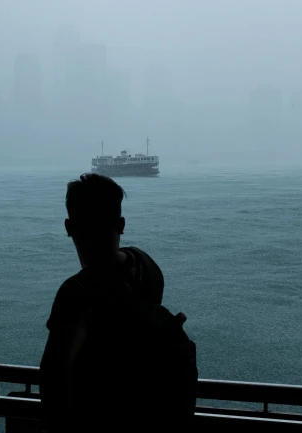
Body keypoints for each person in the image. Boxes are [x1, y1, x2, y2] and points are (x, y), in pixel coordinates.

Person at [40, 174, 197, 432]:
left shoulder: (76, 292)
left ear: (69, 227)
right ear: (121, 224)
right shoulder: (148, 267)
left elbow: (54, 378)